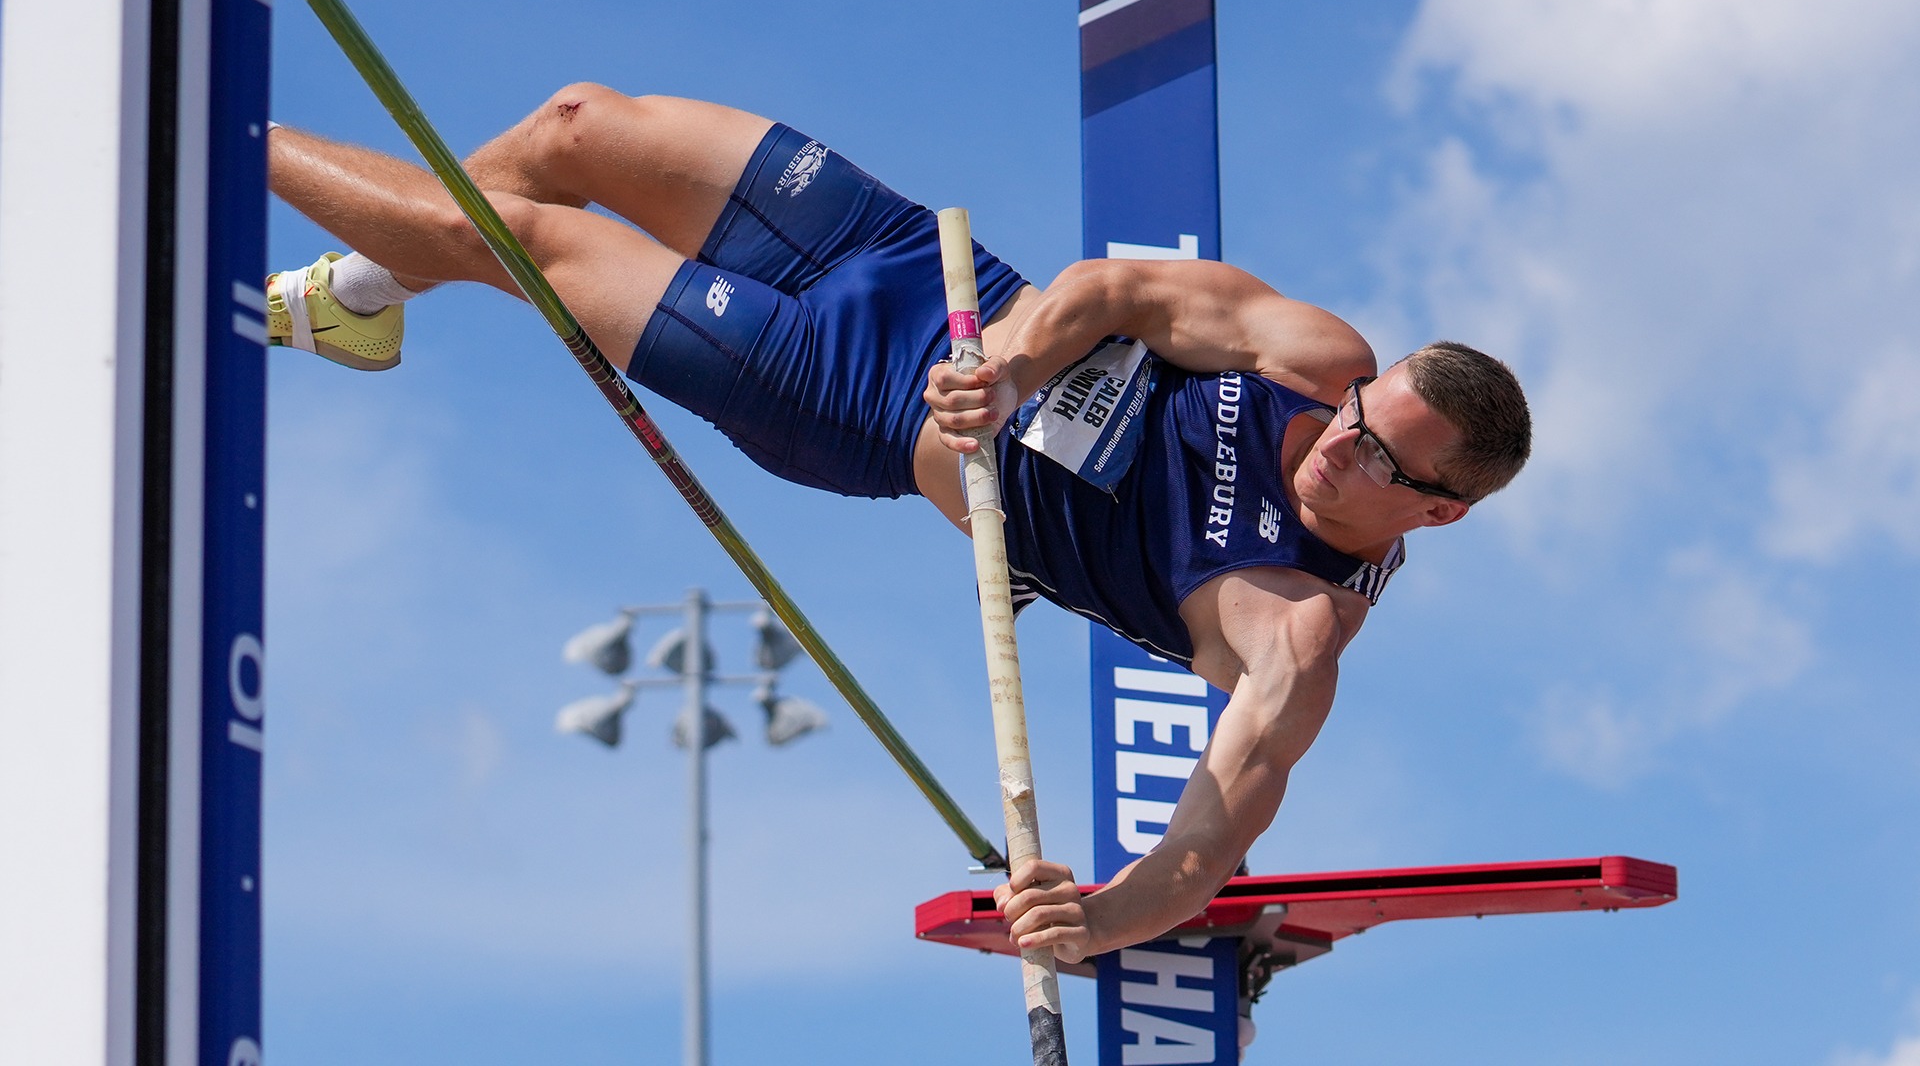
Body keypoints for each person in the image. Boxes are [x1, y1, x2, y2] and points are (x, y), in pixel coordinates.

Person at [265, 86, 1532, 964]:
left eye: (1379, 460)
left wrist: (1092, 920)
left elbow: (1209, 848)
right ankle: (363, 301)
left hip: (844, 397)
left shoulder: (1290, 628)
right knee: (577, 129)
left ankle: (207, 118)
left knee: (525, 239)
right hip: (933, 279)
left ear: (1440, 512)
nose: (1341, 445)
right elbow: (1115, 289)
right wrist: (1018, 366)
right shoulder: (1318, 359)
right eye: (1361, 415)